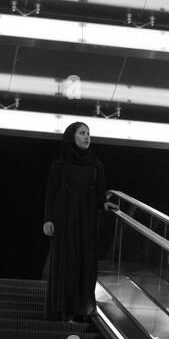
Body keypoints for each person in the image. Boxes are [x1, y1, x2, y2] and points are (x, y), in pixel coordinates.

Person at [42, 121, 105, 320]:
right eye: (82, 133)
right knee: (65, 261)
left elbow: (101, 195)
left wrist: (106, 205)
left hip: (87, 221)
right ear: (72, 137)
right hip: (64, 220)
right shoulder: (59, 165)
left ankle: (82, 309)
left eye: (88, 133)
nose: (87, 137)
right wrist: (48, 219)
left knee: (85, 261)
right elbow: (50, 194)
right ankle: (62, 309)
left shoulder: (96, 164)